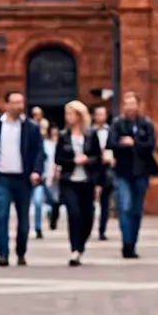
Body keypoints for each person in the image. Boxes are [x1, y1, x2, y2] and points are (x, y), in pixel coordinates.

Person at [0, 91, 44, 267]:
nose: (18, 106)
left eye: (21, 102)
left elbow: (39, 152)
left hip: (23, 178)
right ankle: (3, 254)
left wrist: (36, 171)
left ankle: (21, 252)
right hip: (1, 178)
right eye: (14, 103)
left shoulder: (31, 127)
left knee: (23, 220)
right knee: (2, 216)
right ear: (6, 105)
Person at [108, 92, 157, 258]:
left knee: (136, 211)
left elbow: (150, 145)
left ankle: (133, 243)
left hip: (141, 172)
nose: (129, 107)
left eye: (132, 103)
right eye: (127, 104)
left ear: (138, 105)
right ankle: (127, 243)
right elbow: (111, 143)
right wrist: (123, 145)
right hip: (122, 171)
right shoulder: (117, 124)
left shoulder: (146, 124)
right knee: (125, 207)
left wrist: (134, 143)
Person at [55, 101, 103, 266]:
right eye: (67, 114)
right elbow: (58, 158)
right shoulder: (63, 136)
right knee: (74, 214)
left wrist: (87, 160)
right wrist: (72, 161)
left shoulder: (91, 135)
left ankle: (80, 245)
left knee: (87, 216)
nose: (69, 117)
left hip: (87, 180)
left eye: (72, 114)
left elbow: (98, 159)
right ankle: (75, 249)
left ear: (80, 116)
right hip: (69, 180)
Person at [30, 116, 56, 239]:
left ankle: (51, 215)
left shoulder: (51, 145)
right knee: (37, 202)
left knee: (50, 202)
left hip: (47, 177)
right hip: (36, 177)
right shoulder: (32, 144)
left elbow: (53, 161)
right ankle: (38, 227)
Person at [91, 104, 114, 242]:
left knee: (105, 201)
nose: (101, 117)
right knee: (90, 200)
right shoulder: (89, 131)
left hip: (106, 169)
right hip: (93, 168)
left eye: (103, 114)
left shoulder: (111, 131)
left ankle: (102, 230)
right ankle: (88, 226)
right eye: (98, 114)